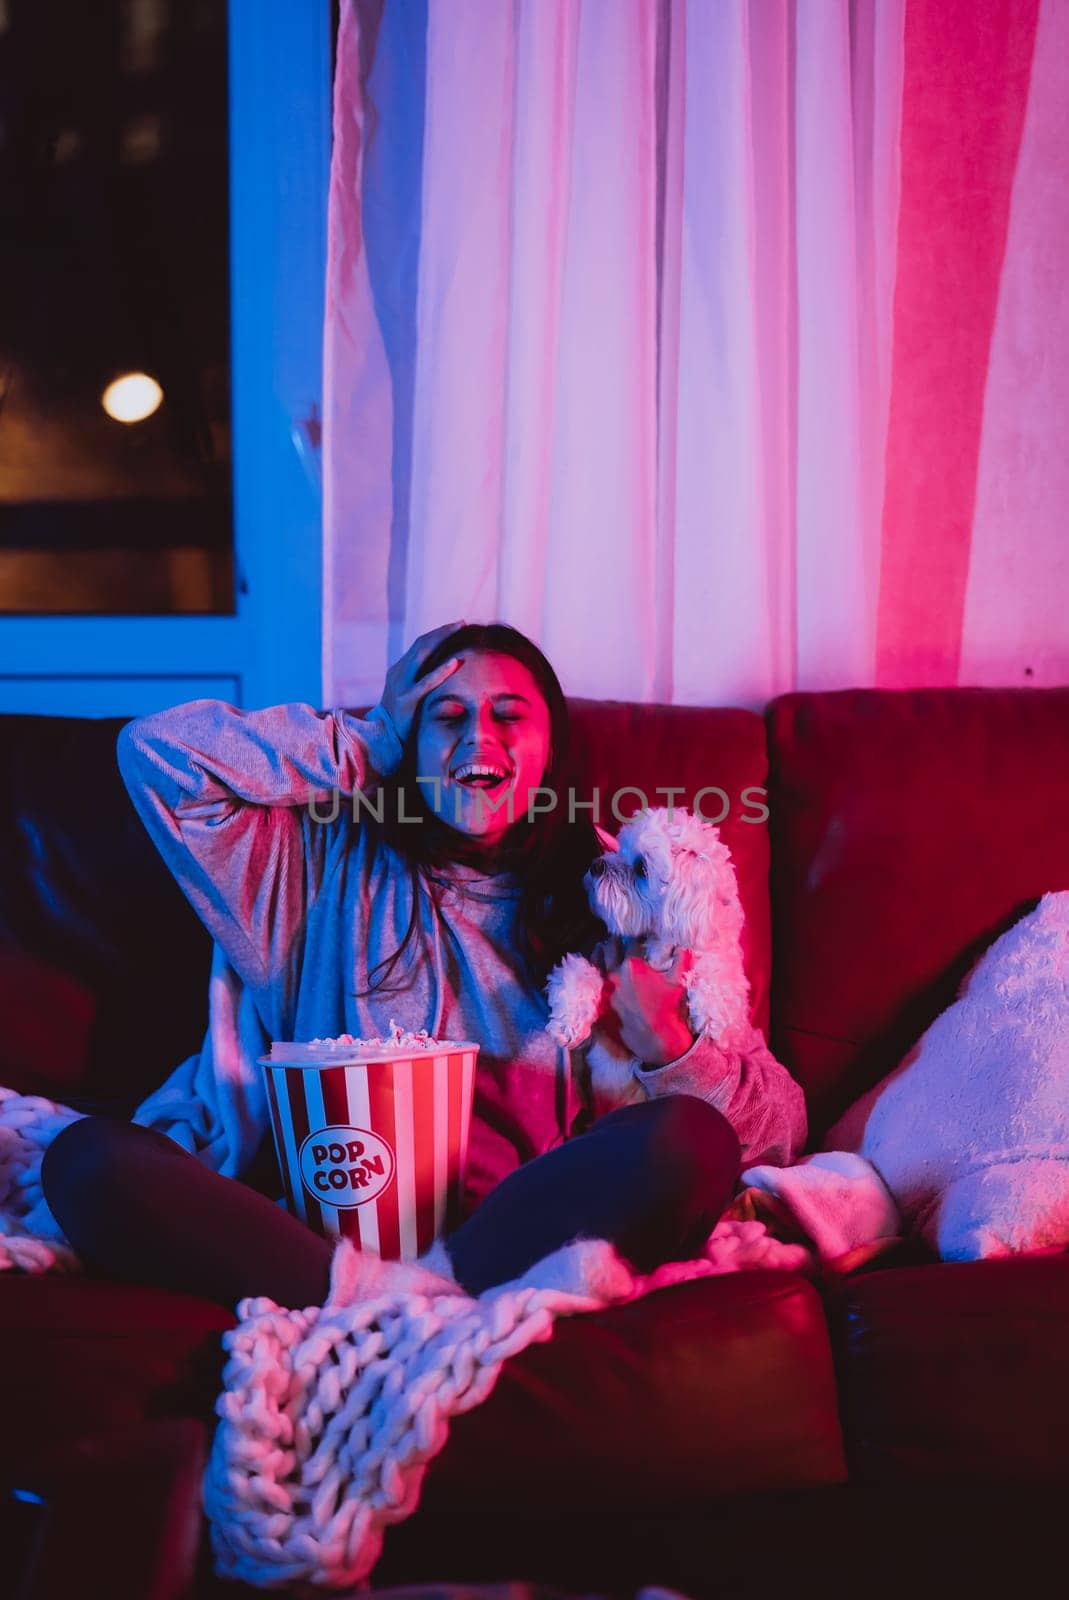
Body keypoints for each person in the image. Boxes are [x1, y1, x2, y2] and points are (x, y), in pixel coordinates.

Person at [42, 622, 806, 1307]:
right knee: (87, 1161)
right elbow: (156, 755)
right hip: (335, 1239)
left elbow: (775, 1135)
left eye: (508, 715)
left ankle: (398, 1299)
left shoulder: (625, 898)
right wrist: (367, 739)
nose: (479, 736)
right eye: (445, 717)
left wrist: (672, 1044)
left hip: (533, 1225)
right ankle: (406, 1297)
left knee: (688, 1141)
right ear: (410, 743)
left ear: (552, 749)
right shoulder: (309, 872)